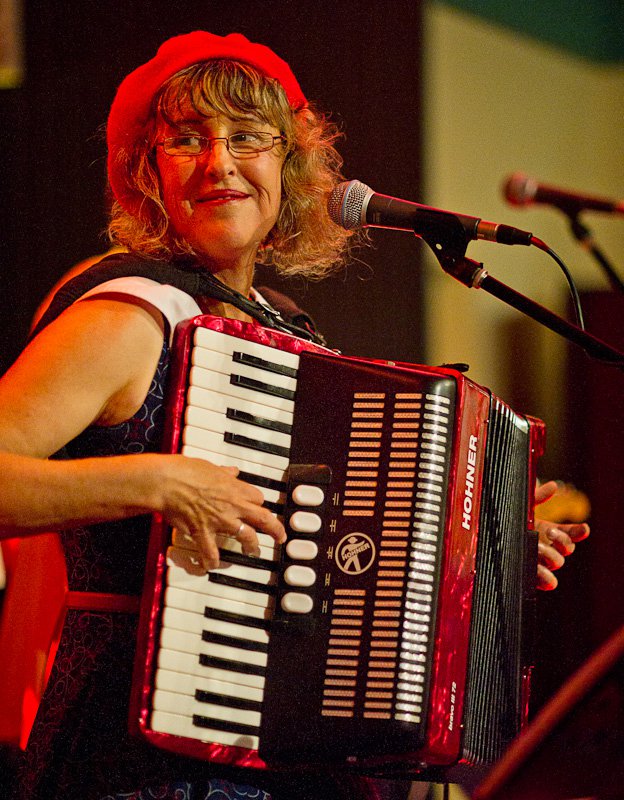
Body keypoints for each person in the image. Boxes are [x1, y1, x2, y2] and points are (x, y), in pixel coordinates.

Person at [0, 31, 588, 800]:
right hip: (130, 761)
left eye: (248, 137)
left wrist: (486, 556)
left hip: (278, 758)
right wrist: (159, 481)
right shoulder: (126, 316)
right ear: (149, 174)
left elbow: (340, 549)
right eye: (186, 140)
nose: (219, 163)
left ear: (290, 167)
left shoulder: (282, 328)